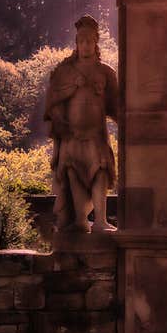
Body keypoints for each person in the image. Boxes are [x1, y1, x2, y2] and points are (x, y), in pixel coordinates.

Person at [44, 15, 118, 233]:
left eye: (89, 41)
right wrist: (61, 120)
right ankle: (79, 219)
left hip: (96, 136)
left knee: (101, 172)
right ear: (76, 43)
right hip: (72, 136)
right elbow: (53, 103)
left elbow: (116, 106)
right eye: (81, 41)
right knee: (73, 173)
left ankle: (101, 220)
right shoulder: (64, 71)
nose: (85, 45)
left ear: (96, 43)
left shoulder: (106, 72)